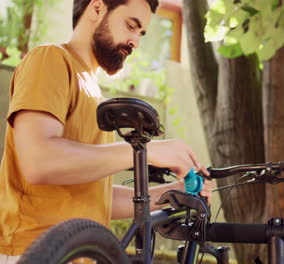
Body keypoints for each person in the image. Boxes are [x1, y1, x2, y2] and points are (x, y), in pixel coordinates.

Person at [0, 0, 213, 262]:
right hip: (36, 252)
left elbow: (94, 195)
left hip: (82, 255)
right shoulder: (50, 59)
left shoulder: (92, 90)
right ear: (97, 8)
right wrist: (145, 151)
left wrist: (173, 194)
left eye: (141, 33)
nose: (135, 42)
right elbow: (39, 161)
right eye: (130, 26)